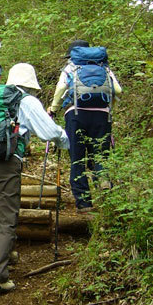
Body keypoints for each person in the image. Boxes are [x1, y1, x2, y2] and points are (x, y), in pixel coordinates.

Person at [0, 63, 69, 297]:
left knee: (4, 212)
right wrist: (65, 140)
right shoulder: (25, 101)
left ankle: (8, 252)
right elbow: (49, 132)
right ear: (30, 84)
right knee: (7, 220)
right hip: (5, 167)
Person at [47, 40, 123, 213]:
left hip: (76, 115)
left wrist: (53, 109)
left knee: (77, 158)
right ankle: (104, 188)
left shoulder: (71, 67)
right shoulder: (104, 68)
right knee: (100, 156)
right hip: (102, 116)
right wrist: (109, 109)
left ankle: (84, 203)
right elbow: (118, 91)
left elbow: (60, 90)